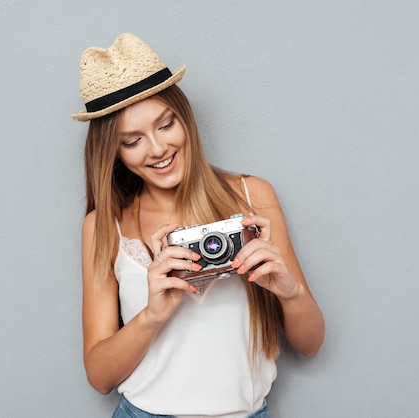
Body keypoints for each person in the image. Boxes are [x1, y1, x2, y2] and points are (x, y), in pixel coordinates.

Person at [72, 33, 325, 418]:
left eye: (165, 124)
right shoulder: (106, 226)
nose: (157, 150)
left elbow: (310, 345)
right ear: (115, 154)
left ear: (185, 118)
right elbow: (100, 376)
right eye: (133, 141)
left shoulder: (252, 197)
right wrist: (154, 313)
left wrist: (290, 293)